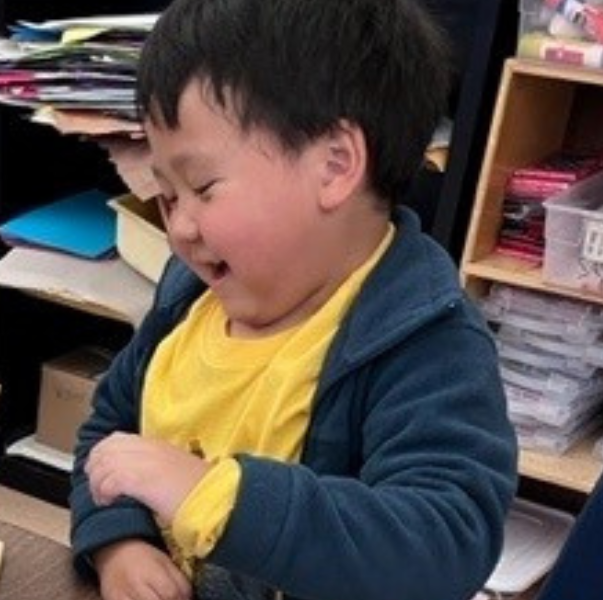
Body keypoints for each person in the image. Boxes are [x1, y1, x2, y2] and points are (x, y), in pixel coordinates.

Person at [70, 1, 519, 600]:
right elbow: (106, 435)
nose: (179, 228)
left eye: (202, 187)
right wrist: (118, 542)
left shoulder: (426, 340)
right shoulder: (189, 302)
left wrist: (217, 497)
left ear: (335, 165)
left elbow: (444, 543)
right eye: (169, 195)